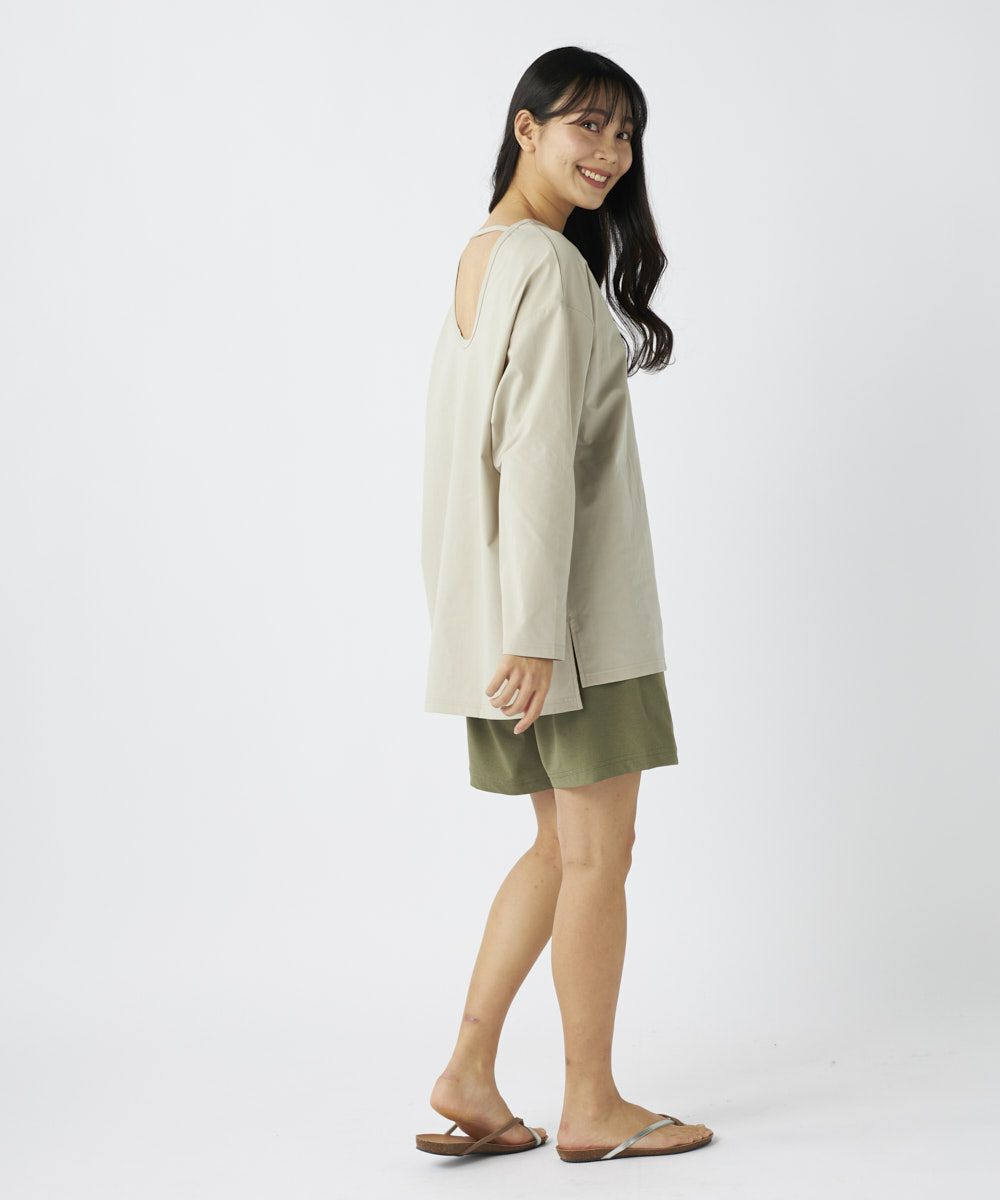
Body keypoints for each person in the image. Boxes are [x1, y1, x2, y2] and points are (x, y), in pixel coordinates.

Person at [416, 47, 714, 1164]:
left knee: (557, 848)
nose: (611, 152)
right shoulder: (543, 263)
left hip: (503, 621)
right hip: (571, 629)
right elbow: (533, 455)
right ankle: (592, 1103)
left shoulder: (485, 255)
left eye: (626, 134)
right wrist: (539, 634)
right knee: (598, 856)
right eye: (588, 124)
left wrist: (496, 627)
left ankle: (469, 1069)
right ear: (525, 127)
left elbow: (468, 464)